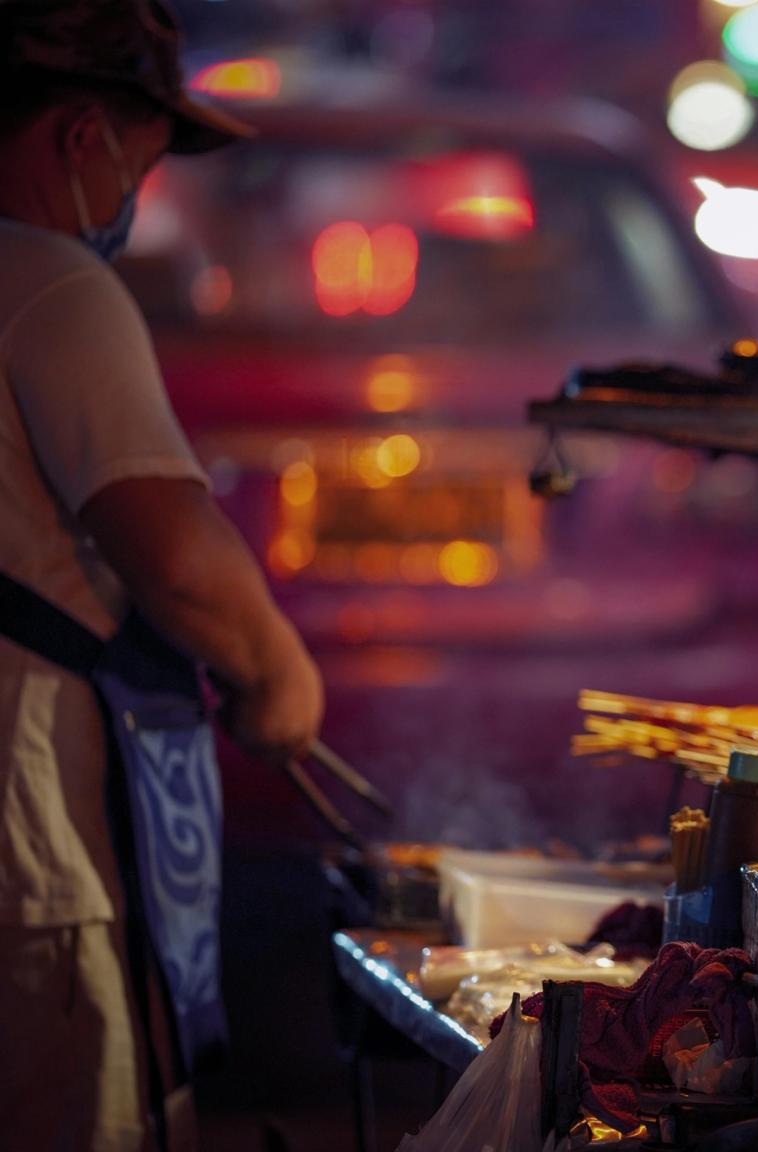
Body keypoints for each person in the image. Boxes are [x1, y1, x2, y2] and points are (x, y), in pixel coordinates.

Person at [0, 2, 324, 1148]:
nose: (138, 198)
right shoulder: (44, 280)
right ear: (83, 135)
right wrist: (280, 678)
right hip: (28, 828)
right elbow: (180, 564)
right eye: (143, 160)